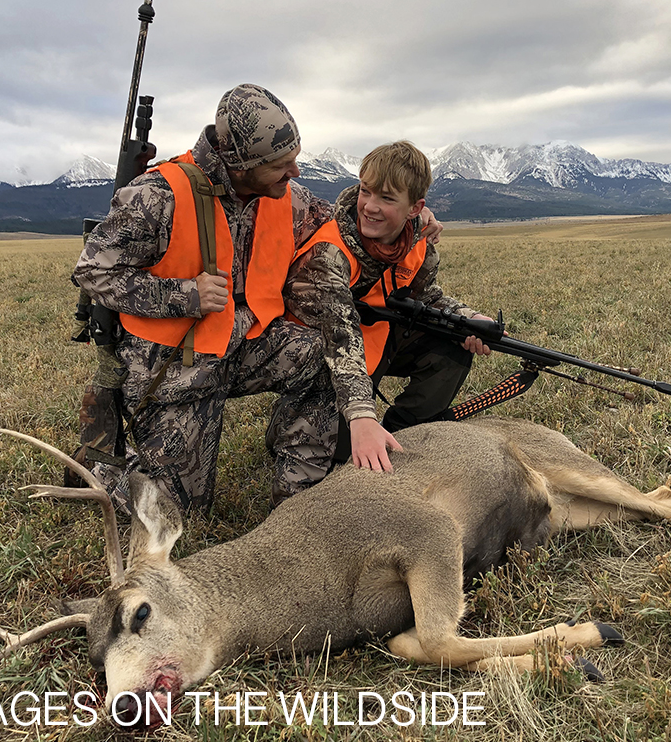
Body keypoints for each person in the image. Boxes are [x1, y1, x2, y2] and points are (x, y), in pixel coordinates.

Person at [72, 85, 333, 513]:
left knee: (322, 355)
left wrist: (415, 221)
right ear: (240, 165)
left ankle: (298, 501)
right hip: (174, 368)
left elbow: (339, 219)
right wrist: (184, 295)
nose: (295, 173)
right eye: (281, 165)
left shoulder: (285, 194)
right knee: (175, 511)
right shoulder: (157, 196)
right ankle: (100, 469)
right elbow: (93, 271)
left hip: (245, 345)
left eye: (294, 159)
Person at [284, 140, 492, 473]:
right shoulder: (329, 253)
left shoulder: (420, 243)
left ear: (415, 208)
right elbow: (339, 338)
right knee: (330, 462)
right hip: (320, 357)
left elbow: (425, 298)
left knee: (450, 342)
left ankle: (403, 433)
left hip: (375, 343)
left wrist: (468, 320)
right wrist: (362, 416)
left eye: (387, 198)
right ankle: (296, 430)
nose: (370, 206)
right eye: (366, 191)